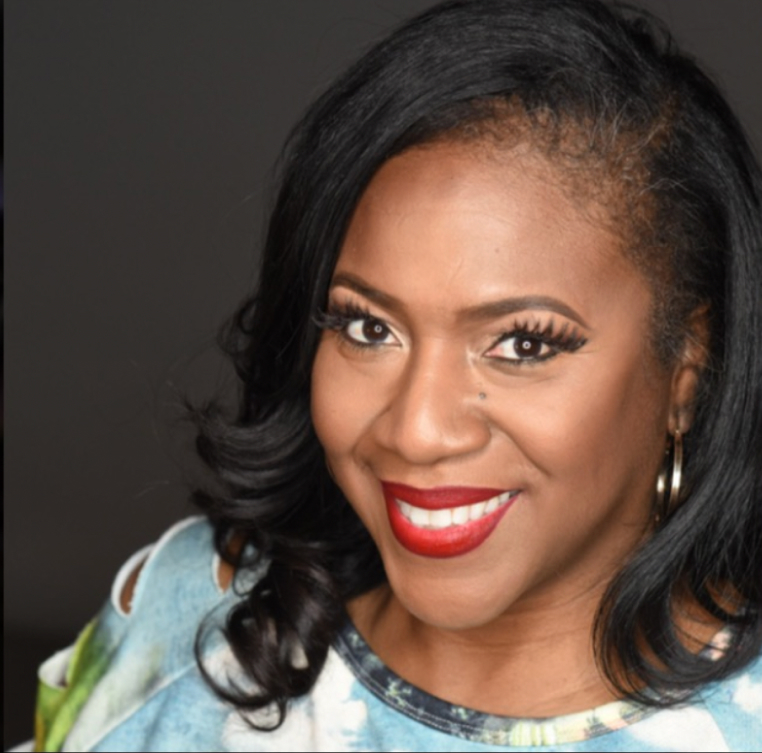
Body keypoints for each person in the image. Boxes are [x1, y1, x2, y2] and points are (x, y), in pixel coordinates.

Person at [32, 0, 762, 750]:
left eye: (522, 344)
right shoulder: (197, 624)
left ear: (686, 371)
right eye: (368, 327)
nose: (417, 430)